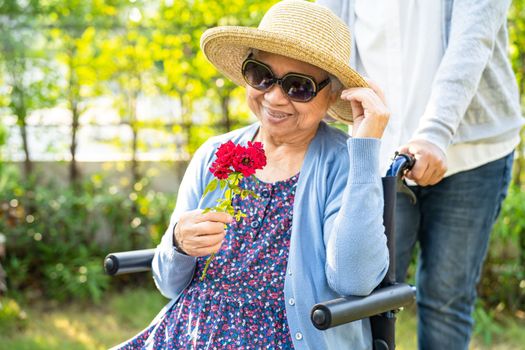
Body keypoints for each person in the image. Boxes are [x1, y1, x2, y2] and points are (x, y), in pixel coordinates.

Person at [112, 1, 393, 349]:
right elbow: (169, 284)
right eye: (261, 75)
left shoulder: (344, 163)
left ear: (332, 93)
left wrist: (365, 149)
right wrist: (177, 243)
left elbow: (355, 279)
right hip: (188, 332)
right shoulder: (215, 154)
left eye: (299, 86)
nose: (274, 97)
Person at [316, 0, 524, 349]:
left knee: (447, 297)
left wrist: (435, 132)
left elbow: (471, 42)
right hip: (380, 152)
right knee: (366, 297)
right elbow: (326, 34)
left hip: (471, 151)